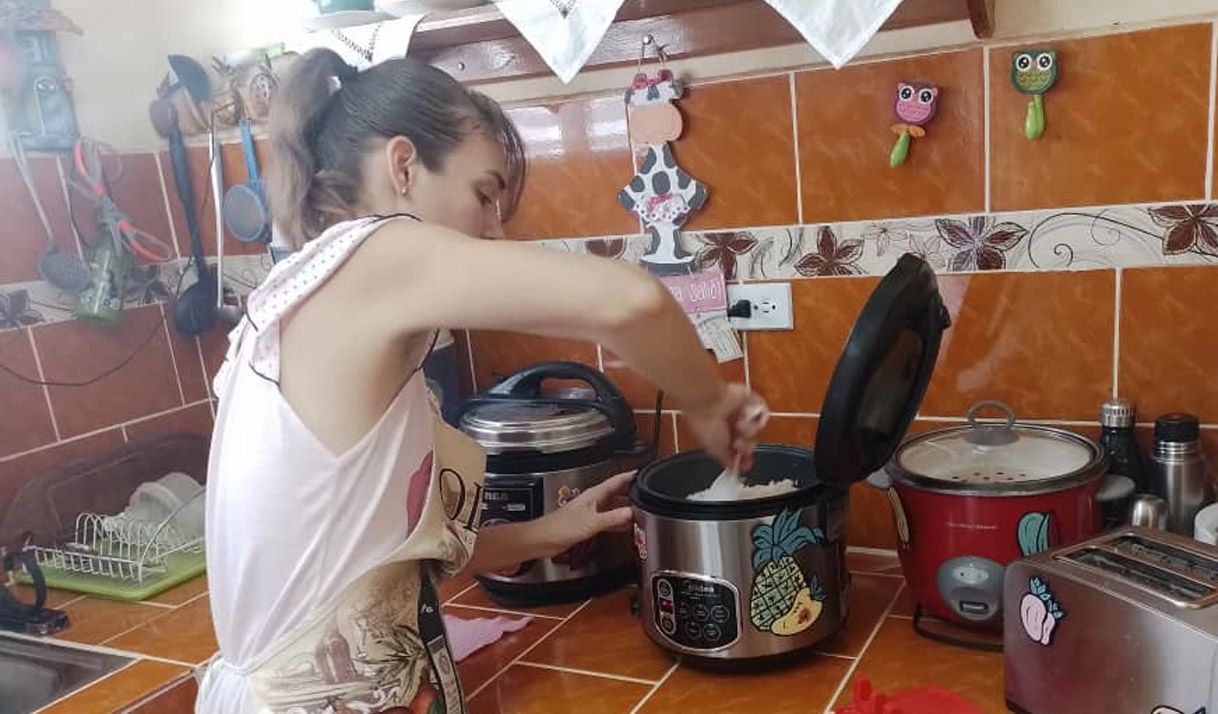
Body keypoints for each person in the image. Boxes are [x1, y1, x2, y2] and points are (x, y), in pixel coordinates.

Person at [196, 48, 768, 713]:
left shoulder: (304, 292)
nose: (494, 230)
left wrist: (549, 532)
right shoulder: (377, 251)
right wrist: (709, 401)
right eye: (484, 193)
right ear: (403, 166)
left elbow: (366, 565)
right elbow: (631, 302)